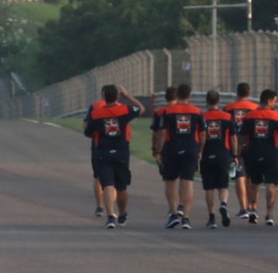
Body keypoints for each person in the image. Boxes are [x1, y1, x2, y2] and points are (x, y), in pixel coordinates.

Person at [84, 84, 144, 229]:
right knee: (121, 187)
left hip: (103, 152)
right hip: (121, 152)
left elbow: (87, 132)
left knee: (107, 185)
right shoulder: (125, 110)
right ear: (117, 96)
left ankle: (111, 216)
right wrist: (127, 96)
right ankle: (122, 214)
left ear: (103, 97)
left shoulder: (96, 113)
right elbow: (141, 109)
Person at [150, 83, 202, 230]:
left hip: (171, 148)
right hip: (190, 148)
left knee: (170, 181)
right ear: (190, 96)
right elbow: (203, 133)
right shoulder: (197, 111)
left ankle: (173, 213)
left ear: (177, 94)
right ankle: (185, 217)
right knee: (188, 181)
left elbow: (161, 133)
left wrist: (158, 151)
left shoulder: (166, 111)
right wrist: (200, 150)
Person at [240, 89, 278, 226]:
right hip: (271, 154)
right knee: (271, 183)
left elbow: (242, 137)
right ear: (268, 101)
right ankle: (269, 214)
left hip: (253, 153)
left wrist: (240, 153)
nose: (275, 104)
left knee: (254, 183)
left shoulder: (249, 116)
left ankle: (253, 209)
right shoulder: (277, 117)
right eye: (274, 101)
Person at [199, 90, 236, 228]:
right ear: (218, 101)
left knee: (209, 188)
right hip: (223, 155)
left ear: (207, 101)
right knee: (223, 185)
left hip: (207, 155)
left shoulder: (201, 117)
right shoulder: (227, 117)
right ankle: (224, 204)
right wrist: (235, 155)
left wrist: (199, 152)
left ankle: (212, 218)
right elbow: (233, 138)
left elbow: (200, 136)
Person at [225, 83, 260, 219]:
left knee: (239, 175)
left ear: (237, 93)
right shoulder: (255, 108)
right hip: (252, 145)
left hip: (235, 145)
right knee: (252, 177)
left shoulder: (229, 108)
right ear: (249, 93)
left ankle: (243, 208)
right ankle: (253, 207)